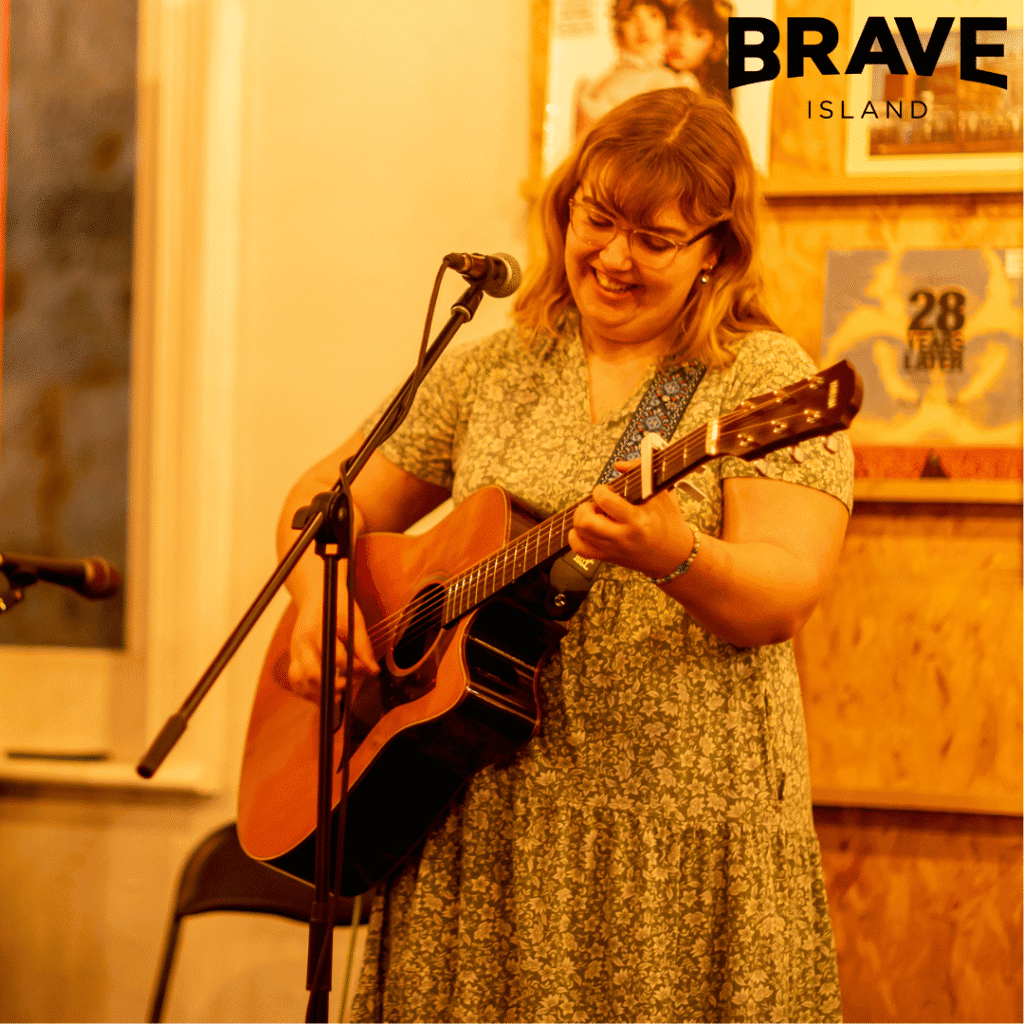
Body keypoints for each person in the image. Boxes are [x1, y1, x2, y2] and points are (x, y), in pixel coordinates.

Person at [279, 88, 849, 1022]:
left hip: (671, 839)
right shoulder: (491, 366)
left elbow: (784, 594)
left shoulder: (763, 380)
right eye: (599, 218)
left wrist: (677, 555)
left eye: (655, 239)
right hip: (475, 829)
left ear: (717, 251)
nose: (614, 257)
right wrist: (320, 603)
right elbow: (318, 507)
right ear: (564, 207)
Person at [574, 0, 694, 139]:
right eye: (629, 18)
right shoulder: (599, 87)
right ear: (618, 28)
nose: (642, 26)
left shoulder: (674, 81)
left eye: (653, 16)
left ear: (665, 24)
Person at [665, 0, 732, 106]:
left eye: (697, 34)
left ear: (716, 45)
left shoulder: (718, 95)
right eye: (675, 28)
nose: (681, 42)